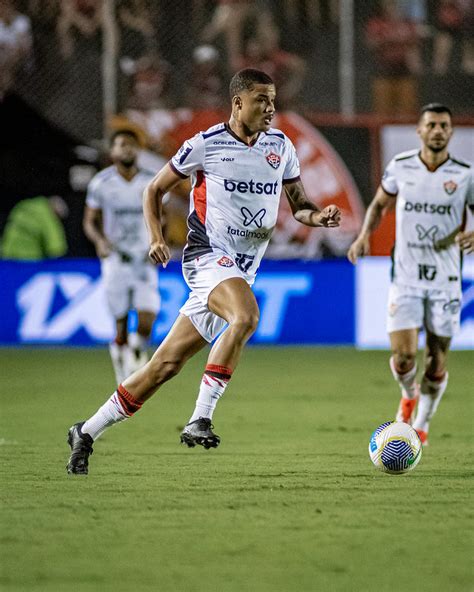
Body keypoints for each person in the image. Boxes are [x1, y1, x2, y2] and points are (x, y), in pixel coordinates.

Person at [66, 68, 341, 475]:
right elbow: (153, 189)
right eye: (261, 99)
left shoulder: (280, 146)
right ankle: (201, 417)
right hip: (207, 257)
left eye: (273, 100)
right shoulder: (206, 144)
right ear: (238, 102)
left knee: (163, 366)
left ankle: (85, 431)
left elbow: (299, 203)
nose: (270, 107)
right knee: (246, 316)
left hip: (241, 269)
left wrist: (319, 217)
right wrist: (156, 237)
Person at [348, 103, 474, 446]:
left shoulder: (465, 174)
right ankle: (407, 396)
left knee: (436, 359)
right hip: (405, 275)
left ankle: (422, 422)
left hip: (446, 280)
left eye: (444, 125)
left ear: (451, 132)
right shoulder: (401, 167)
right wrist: (363, 236)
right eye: (431, 124)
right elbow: (378, 205)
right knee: (403, 356)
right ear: (419, 131)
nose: (437, 130)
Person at [83, 129, 159, 386]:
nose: (127, 149)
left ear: (138, 150)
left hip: (144, 258)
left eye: (131, 145)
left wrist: (159, 241)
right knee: (120, 322)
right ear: (112, 151)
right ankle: (122, 362)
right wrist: (100, 241)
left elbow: (164, 218)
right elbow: (90, 221)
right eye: (121, 145)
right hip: (116, 258)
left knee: (148, 317)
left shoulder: (151, 182)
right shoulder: (101, 183)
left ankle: (137, 350)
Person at [1, 195, 68, 260]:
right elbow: (56, 248)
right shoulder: (47, 216)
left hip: (7, 255)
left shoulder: (23, 206)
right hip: (29, 260)